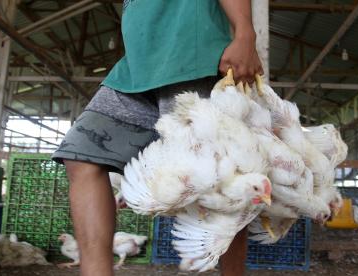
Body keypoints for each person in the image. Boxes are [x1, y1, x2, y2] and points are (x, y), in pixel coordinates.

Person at [52, 1, 263, 275]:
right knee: (81, 154)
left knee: (222, 179)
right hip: (135, 71)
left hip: (193, 56)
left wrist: (245, 34)